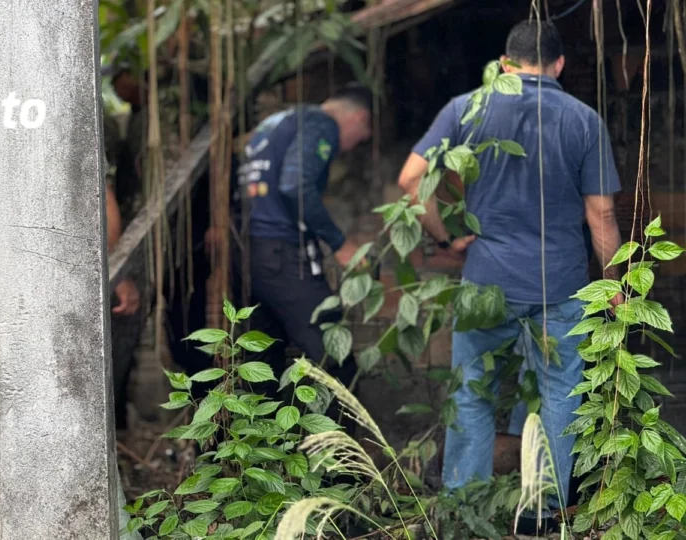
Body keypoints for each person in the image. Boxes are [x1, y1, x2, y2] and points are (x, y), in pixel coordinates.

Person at [397, 21, 622, 533]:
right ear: (560, 65)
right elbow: (602, 217)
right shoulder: (584, 120)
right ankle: (540, 513)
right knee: (560, 394)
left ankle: (462, 511)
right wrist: (613, 283)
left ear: (504, 63)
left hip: (486, 281)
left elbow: (411, 181)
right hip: (559, 284)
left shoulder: (466, 108)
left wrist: (442, 238)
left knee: (472, 393)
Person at [0, 136, 142, 427]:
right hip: (13, 274)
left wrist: (113, 269)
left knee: (69, 374)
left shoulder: (82, 117)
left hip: (75, 269)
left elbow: (100, 199)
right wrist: (11, 241)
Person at [242, 84, 374, 382]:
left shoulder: (275, 124)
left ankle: (268, 429)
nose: (358, 143)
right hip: (283, 255)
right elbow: (295, 186)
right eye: (363, 135)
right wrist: (339, 243)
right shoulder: (320, 124)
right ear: (359, 118)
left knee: (264, 361)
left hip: (253, 252)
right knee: (335, 356)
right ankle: (346, 429)